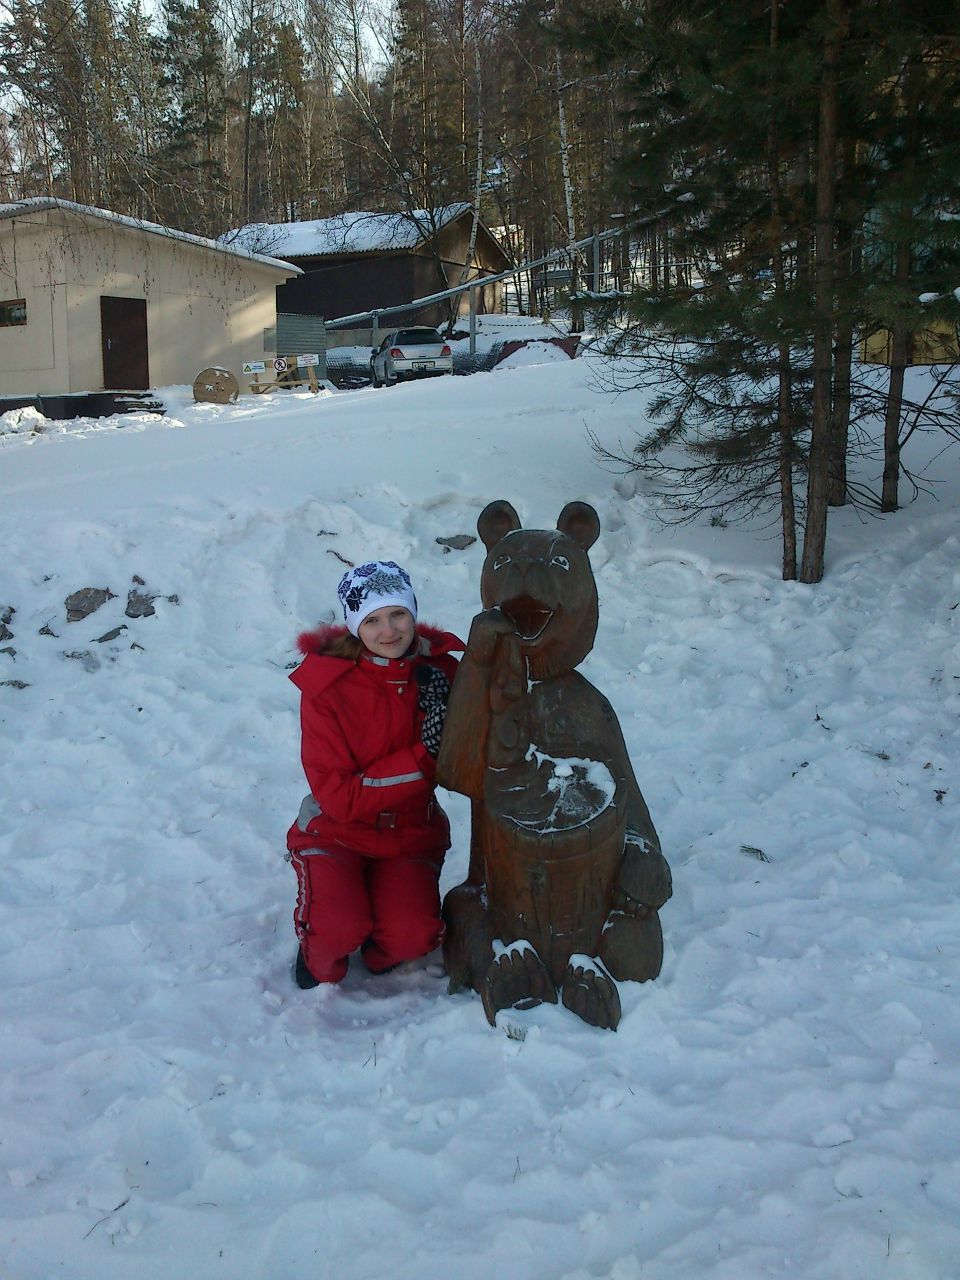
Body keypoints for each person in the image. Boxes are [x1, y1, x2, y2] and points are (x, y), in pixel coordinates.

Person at [286, 560, 463, 988]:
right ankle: (320, 944)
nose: (389, 631)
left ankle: (380, 942)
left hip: (408, 832)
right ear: (354, 627)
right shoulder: (328, 685)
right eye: (373, 620)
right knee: (336, 932)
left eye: (398, 614)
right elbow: (340, 798)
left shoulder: (442, 673)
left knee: (410, 935)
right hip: (337, 830)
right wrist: (425, 756)